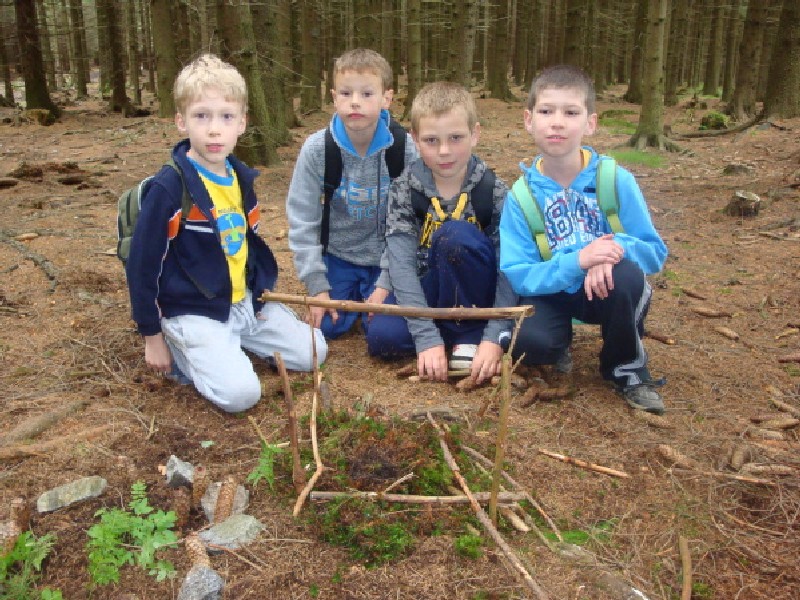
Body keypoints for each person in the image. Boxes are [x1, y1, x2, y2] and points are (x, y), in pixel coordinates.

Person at [126, 53, 326, 413]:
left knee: (314, 352)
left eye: (226, 117)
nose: (214, 129)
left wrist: (258, 295)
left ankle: (230, 343)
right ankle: (183, 347)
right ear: (181, 121)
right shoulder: (170, 188)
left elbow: (245, 247)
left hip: (242, 302)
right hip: (194, 309)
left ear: (242, 123)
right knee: (241, 395)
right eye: (201, 116)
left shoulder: (240, 178)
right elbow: (141, 267)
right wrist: (151, 336)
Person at [499, 65, 668, 414]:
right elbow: (519, 273)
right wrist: (579, 260)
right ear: (529, 120)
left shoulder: (615, 180)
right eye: (546, 111)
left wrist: (609, 252)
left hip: (608, 290)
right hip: (553, 291)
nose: (557, 123)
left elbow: (653, 253)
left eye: (571, 113)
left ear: (590, 123)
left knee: (626, 277)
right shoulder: (521, 196)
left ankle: (626, 368)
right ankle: (557, 342)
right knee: (528, 344)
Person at [366, 81, 516, 384]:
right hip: (431, 291)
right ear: (415, 139)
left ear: (475, 134)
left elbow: (508, 267)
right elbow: (401, 265)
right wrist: (426, 337)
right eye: (431, 140)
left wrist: (492, 337)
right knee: (382, 337)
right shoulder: (404, 190)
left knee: (453, 236)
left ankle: (470, 336)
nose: (444, 151)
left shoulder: (494, 192)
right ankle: (444, 337)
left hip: (479, 298)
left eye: (456, 138)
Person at [286, 48, 417, 339]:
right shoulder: (318, 149)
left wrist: (386, 283)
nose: (355, 101)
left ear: (386, 98)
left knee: (387, 334)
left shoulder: (404, 149)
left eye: (367, 94)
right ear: (334, 97)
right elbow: (302, 219)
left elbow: (410, 223)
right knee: (326, 327)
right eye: (346, 93)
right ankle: (347, 296)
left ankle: (374, 301)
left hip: (388, 260)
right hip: (338, 258)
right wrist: (317, 286)